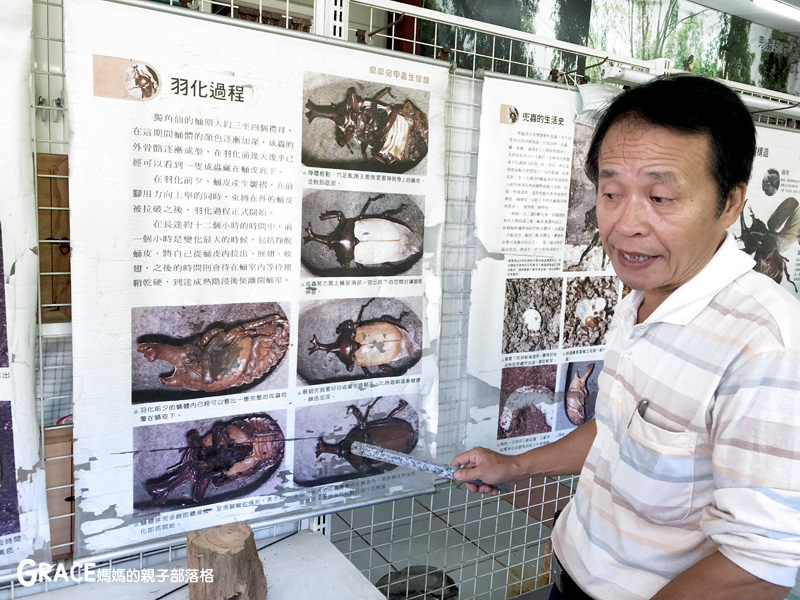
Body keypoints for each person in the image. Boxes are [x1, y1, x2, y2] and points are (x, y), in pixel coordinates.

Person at [452, 74, 800, 600]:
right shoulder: (638, 300)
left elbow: (758, 564)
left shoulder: (765, 346)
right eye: (611, 192)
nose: (625, 223)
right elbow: (620, 428)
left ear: (730, 204)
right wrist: (517, 466)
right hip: (570, 571)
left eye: (660, 197)